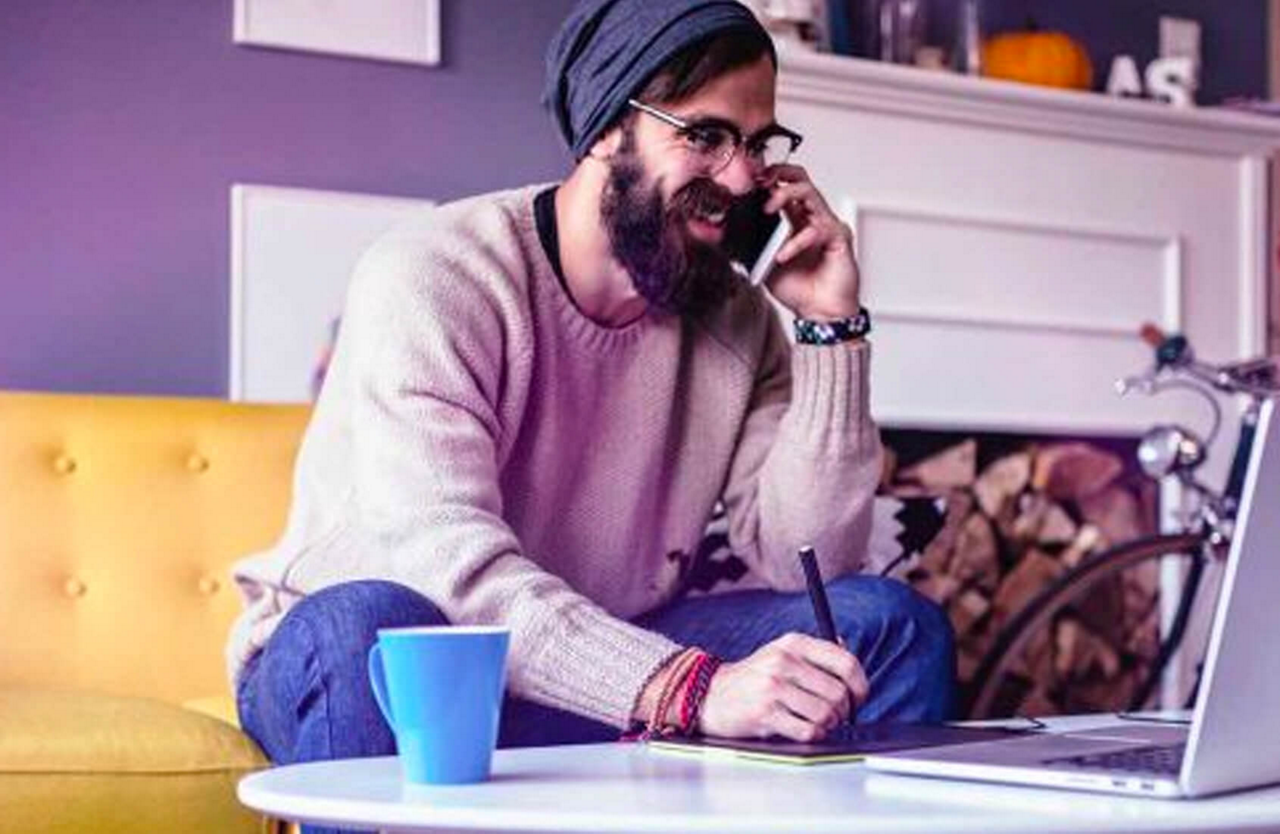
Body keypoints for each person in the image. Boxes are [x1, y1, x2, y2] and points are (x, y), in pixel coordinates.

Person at [231, 0, 954, 816]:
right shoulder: (436, 275)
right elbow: (452, 577)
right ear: (608, 128)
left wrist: (829, 329)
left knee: (885, 623)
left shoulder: (736, 317)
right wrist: (689, 688)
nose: (745, 176)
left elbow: (802, 565)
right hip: (384, 669)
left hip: (589, 666)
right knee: (371, 624)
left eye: (757, 143)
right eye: (707, 135)